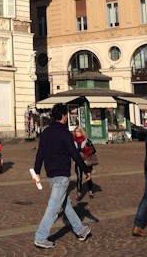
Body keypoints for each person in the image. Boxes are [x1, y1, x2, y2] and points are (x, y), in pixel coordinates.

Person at [32, 103, 92, 249]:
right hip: (62, 174)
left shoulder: (45, 132)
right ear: (64, 116)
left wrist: (37, 171)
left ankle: (80, 229)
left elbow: (40, 153)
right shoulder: (65, 133)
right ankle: (41, 237)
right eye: (66, 115)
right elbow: (74, 154)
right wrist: (85, 170)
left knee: (65, 204)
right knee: (53, 207)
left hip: (51, 174)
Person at [73, 126, 96, 199]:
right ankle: (79, 192)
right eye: (75, 132)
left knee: (88, 176)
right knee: (79, 177)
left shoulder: (87, 141)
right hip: (78, 162)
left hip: (86, 161)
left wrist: (87, 150)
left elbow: (93, 150)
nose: (77, 133)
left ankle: (90, 191)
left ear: (82, 132)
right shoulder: (73, 142)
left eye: (78, 132)